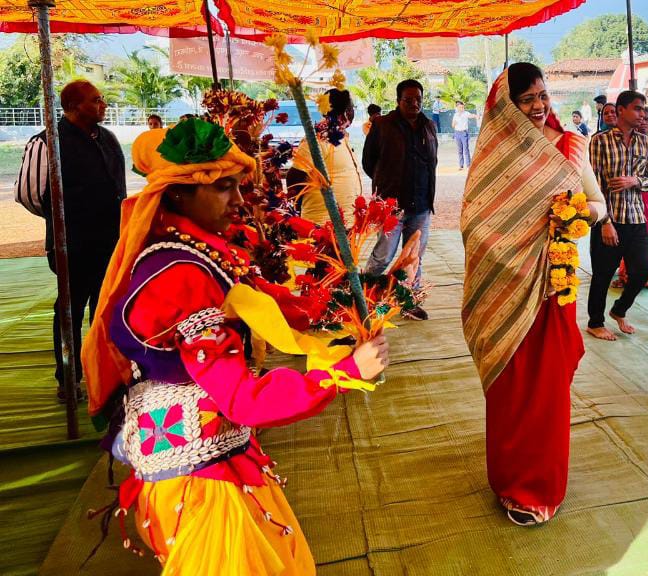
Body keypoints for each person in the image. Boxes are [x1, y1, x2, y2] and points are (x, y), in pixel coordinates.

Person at [80, 120, 389, 573]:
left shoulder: (195, 251)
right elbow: (243, 400)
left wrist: (352, 301)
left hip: (206, 456)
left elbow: (265, 303)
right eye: (225, 188)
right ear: (178, 194)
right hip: (201, 480)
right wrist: (342, 374)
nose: (241, 201)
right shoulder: (180, 276)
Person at [461, 62, 606, 527]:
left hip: (550, 290)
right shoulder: (493, 153)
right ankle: (508, 478)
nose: (539, 106)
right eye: (526, 100)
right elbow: (474, 222)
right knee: (510, 387)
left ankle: (538, 489)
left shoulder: (571, 146)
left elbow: (599, 204)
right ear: (507, 108)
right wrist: (507, 251)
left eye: (543, 95)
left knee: (546, 392)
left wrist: (575, 216)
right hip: (503, 290)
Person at [18, 80, 126, 402]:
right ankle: (68, 379)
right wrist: (64, 220)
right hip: (72, 245)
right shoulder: (46, 142)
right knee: (70, 310)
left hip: (110, 240)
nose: (103, 105)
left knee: (105, 309)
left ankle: (105, 374)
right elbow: (29, 194)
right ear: (74, 107)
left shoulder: (108, 139)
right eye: (96, 100)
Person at [363, 79, 438, 320]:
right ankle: (365, 300)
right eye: (408, 100)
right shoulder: (382, 125)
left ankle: (409, 301)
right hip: (391, 206)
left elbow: (432, 162)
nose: (414, 103)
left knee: (414, 258)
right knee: (383, 255)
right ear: (398, 101)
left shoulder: (429, 126)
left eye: (418, 99)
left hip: (421, 205)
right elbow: (368, 163)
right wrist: (386, 185)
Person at [587, 91, 648, 341]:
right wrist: (604, 222)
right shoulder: (600, 141)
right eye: (637, 108)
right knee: (603, 274)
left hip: (636, 217)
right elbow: (593, 184)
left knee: (643, 269)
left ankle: (619, 310)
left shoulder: (645, 142)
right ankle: (595, 323)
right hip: (609, 219)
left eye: (644, 109)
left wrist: (635, 181)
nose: (642, 114)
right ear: (621, 111)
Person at [286, 88, 363, 228]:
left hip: (345, 224)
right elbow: (294, 177)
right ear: (345, 111)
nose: (352, 112)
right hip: (321, 226)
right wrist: (295, 211)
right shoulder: (316, 139)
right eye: (351, 107)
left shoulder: (341, 136)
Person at [614, 106, 648, 291]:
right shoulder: (627, 141)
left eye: (647, 119)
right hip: (630, 194)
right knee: (629, 233)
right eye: (641, 118)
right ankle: (626, 275)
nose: (643, 122)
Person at [452, 100, 478, 170]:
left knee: (466, 149)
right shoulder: (455, 115)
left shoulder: (466, 113)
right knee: (459, 150)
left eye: (463, 107)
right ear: (457, 107)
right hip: (457, 133)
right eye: (460, 107)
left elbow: (471, 115)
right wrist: (455, 123)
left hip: (464, 133)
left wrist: (475, 116)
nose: (462, 108)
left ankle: (468, 165)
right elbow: (453, 125)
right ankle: (461, 165)